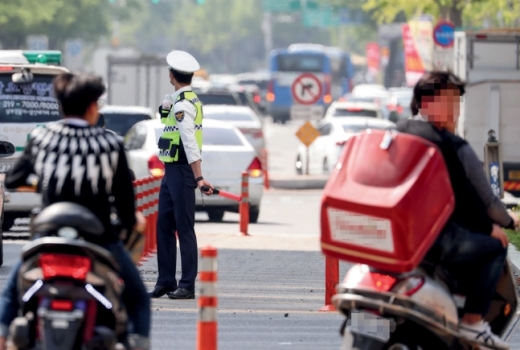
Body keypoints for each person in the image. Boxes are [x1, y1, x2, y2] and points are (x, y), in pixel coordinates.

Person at [0, 72, 150, 350]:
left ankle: (3, 334)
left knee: (12, 292)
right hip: (98, 241)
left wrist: (43, 183)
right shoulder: (109, 144)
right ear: (93, 106)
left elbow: (12, 180)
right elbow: (126, 210)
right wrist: (130, 224)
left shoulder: (42, 137)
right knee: (139, 299)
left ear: (61, 104)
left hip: (48, 238)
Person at [397, 71, 520, 349]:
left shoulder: (398, 133)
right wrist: (505, 223)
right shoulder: (454, 147)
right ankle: (473, 322)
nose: (453, 108)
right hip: (434, 239)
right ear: (424, 103)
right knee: (495, 247)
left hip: (397, 236)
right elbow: (483, 202)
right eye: (446, 100)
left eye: (455, 101)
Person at [148, 50, 213, 300]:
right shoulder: (178, 100)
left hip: (183, 170)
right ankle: (165, 280)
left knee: (184, 228)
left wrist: (198, 177)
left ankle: (187, 284)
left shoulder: (184, 104)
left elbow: (188, 140)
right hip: (171, 171)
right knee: (163, 225)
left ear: (172, 75)